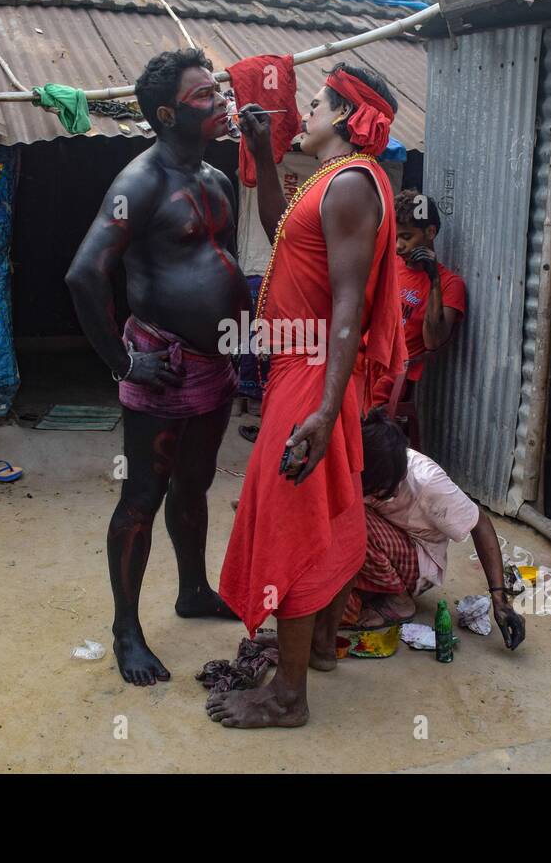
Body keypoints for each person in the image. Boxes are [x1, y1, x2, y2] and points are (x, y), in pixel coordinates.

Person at [209, 63, 406, 729]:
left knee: (290, 517)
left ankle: (287, 696)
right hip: (307, 370)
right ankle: (319, 646)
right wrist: (264, 154)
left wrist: (323, 412)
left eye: (318, 102)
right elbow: (282, 235)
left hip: (316, 374)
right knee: (324, 510)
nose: (308, 109)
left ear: (348, 118)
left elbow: (348, 305)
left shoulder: (350, 185)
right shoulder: (327, 183)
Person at [65, 49, 249, 686]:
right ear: (168, 113)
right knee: (142, 496)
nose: (221, 103)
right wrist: (124, 363)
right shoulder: (138, 183)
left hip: (214, 367)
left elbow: (221, 264)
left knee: (194, 488)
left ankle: (193, 590)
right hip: (162, 367)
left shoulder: (217, 180)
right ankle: (125, 631)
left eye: (218, 92)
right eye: (205, 97)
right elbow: (84, 274)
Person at [347, 409, 526, 650]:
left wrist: (499, 597)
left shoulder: (428, 481)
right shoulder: (363, 464)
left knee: (354, 521)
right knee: (330, 609)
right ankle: (373, 589)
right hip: (387, 544)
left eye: (389, 489)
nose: (393, 493)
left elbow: (480, 524)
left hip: (418, 560)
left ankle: (398, 602)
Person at [372, 189, 467, 409]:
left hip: (388, 375)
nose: (398, 246)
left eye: (406, 237)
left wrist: (433, 281)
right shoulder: (390, 263)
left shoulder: (449, 284)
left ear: (430, 232)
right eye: (395, 237)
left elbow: (433, 341)